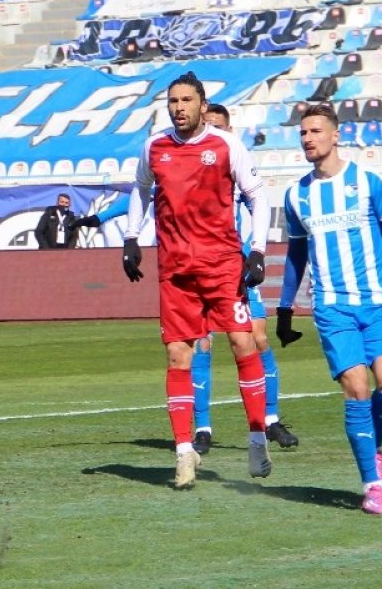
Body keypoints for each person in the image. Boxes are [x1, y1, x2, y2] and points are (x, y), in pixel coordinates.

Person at [121, 72, 272, 490]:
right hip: (176, 269)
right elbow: (140, 188)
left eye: (187, 100)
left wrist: (257, 250)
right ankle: (184, 452)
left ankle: (258, 435)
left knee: (243, 341)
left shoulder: (226, 145)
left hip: (223, 264)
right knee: (177, 355)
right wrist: (132, 237)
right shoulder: (155, 146)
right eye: (173, 101)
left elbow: (258, 194)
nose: (179, 107)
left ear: (203, 105)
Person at [276, 104, 382, 516]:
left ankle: (376, 449)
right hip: (332, 307)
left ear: (336, 135)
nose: (308, 139)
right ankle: (371, 484)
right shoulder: (296, 194)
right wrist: (284, 308)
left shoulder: (367, 182)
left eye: (315, 131)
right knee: (357, 387)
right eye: (303, 133)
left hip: (379, 303)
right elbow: (297, 254)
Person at [189, 104, 298, 455]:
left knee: (258, 338)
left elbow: (260, 207)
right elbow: (145, 194)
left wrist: (257, 250)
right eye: (208, 127)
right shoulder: (191, 173)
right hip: (199, 270)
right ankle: (203, 427)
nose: (213, 133)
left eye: (219, 127)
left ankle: (269, 420)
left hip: (236, 268)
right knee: (201, 344)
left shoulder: (239, 171)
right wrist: (101, 219)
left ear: (230, 130)